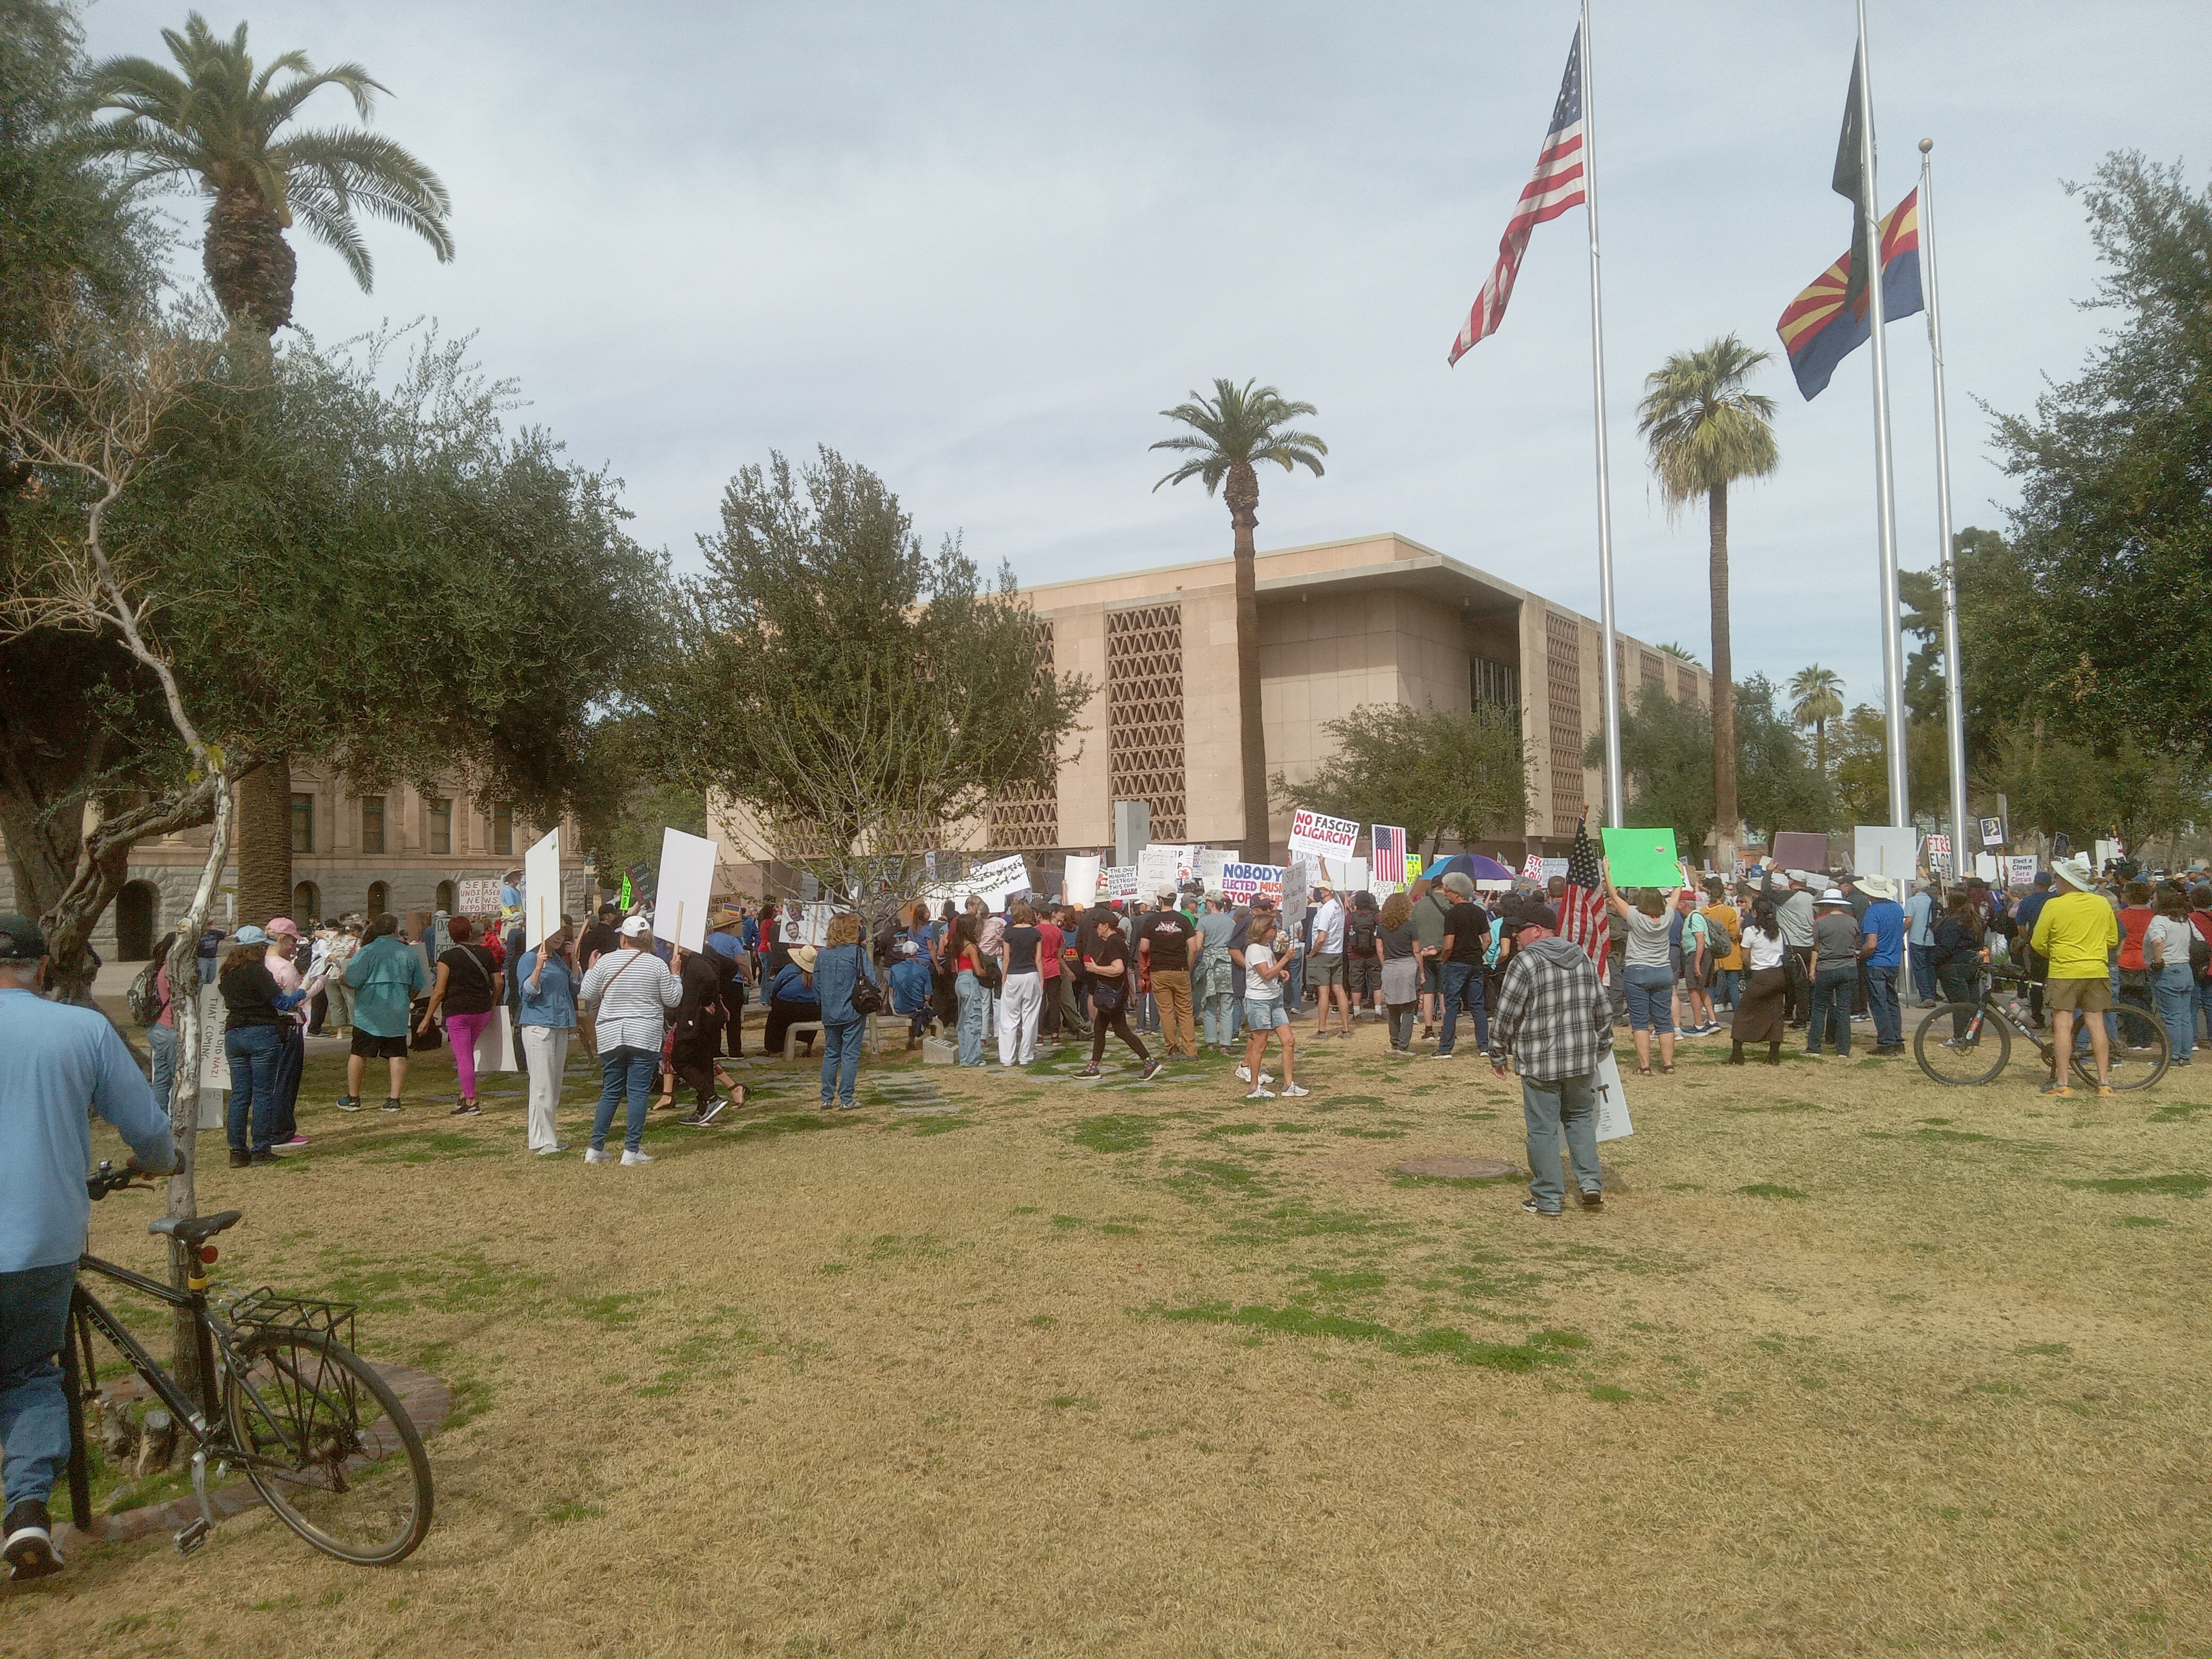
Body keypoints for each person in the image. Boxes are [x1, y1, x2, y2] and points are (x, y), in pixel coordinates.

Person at [0, 912, 178, 1582]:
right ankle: (25, 1511)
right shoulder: (79, 1028)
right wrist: (160, 1162)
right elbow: (149, 1132)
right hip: (41, 1237)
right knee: (29, 1374)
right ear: (43, 968)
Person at [1484, 901, 1611, 1217]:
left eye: (1518, 931)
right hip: (1581, 1059)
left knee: (1543, 1129)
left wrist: (1497, 1052)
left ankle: (1549, 1198)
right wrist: (1602, 1045)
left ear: (1536, 931)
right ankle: (1591, 1184)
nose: (1514, 936)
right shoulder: (1582, 956)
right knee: (1580, 1119)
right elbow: (1602, 1008)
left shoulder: (1524, 962)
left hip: (1540, 1061)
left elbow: (1506, 1014)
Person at [577, 915, 683, 1164]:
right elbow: (673, 999)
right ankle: (632, 1149)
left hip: (611, 1033)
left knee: (611, 1091)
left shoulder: (607, 962)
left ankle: (595, 1147)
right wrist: (676, 974)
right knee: (638, 1092)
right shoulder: (657, 965)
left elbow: (586, 992)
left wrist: (592, 969)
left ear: (623, 938)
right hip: (644, 1034)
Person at [2029, 856, 2121, 1099]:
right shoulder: (2102, 904)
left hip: (2064, 971)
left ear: (2067, 882)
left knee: (2063, 1025)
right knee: (2096, 1024)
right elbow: (2112, 940)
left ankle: (2063, 1083)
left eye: (2058, 877)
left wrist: (2056, 952)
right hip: (2097, 970)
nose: (2056, 881)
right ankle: (2103, 1083)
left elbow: (2038, 942)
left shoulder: (2054, 905)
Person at [219, 925, 306, 1166]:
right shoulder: (257, 971)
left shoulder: (227, 972)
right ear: (257, 948)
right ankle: (261, 1148)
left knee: (240, 1095)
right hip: (261, 1032)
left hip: (234, 1033)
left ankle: (237, 1150)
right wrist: (302, 992)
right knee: (263, 1094)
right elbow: (282, 1002)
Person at [339, 913, 426, 1114]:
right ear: (396, 930)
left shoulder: (367, 951)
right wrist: (407, 999)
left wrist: (342, 978)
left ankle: (353, 1098)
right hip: (397, 1011)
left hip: (368, 1012)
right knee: (397, 1054)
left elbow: (352, 980)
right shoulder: (409, 953)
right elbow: (418, 985)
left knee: (359, 1053)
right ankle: (394, 1099)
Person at [417, 915, 504, 1117]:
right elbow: (498, 982)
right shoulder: (485, 952)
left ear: (451, 935)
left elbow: (439, 991)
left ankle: (471, 1100)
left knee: (463, 1056)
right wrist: (492, 1002)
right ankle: (464, 1095)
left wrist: (427, 1017)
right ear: (471, 932)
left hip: (458, 1011)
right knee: (468, 1052)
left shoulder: (447, 957)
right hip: (482, 1010)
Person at [516, 919, 580, 1153]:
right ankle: (545, 1140)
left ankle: (542, 1137)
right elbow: (527, 993)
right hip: (538, 1025)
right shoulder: (530, 958)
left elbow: (576, 985)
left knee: (552, 1085)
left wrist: (574, 959)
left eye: (563, 933)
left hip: (560, 1024)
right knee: (542, 1085)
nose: (560, 937)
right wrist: (537, 968)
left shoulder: (556, 959)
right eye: (555, 932)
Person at [669, 940, 747, 1124]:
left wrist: (707, 999)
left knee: (680, 1060)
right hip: (708, 1019)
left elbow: (711, 978)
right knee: (704, 1062)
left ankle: (711, 1098)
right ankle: (703, 1110)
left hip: (695, 1018)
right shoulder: (708, 952)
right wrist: (718, 997)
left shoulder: (694, 959)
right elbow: (730, 966)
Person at [1606, 878, 1677, 1076]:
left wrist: (1607, 873)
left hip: (1638, 971)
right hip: (1663, 971)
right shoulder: (1668, 916)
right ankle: (1668, 1064)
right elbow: (1675, 897)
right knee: (1664, 1021)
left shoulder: (1635, 916)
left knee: (1640, 1021)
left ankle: (1645, 1066)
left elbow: (1613, 896)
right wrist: (1678, 879)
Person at [1078, 912, 1159, 1079]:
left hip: (1112, 994)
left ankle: (1150, 1062)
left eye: (1098, 926)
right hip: (1114, 993)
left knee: (1118, 1030)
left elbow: (1118, 969)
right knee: (1106, 1029)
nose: (1097, 930)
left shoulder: (1114, 942)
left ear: (1105, 925)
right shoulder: (1115, 941)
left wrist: (1096, 969)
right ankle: (1094, 1067)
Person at [1235, 913, 1304, 1100]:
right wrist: (1285, 960)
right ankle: (1254, 1087)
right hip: (1259, 1001)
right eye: (1273, 927)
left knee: (1289, 1040)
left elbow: (1269, 969)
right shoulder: (1255, 949)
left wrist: (1281, 971)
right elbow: (1265, 974)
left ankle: (1289, 1084)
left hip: (1274, 999)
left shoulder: (1266, 947)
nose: (1276, 930)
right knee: (1260, 1044)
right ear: (1264, 931)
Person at [812, 913, 879, 1109]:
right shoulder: (858, 953)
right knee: (850, 1054)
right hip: (853, 1010)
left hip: (830, 1011)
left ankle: (826, 1098)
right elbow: (871, 981)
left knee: (831, 1053)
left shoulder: (822, 955)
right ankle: (847, 1099)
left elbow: (816, 985)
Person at [261, 918, 316, 1151]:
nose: (294, 946)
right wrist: (317, 985)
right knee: (287, 1078)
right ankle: (282, 1130)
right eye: (292, 941)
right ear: (283, 939)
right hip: (289, 1026)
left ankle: (268, 1128)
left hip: (267, 1027)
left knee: (269, 1081)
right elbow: (297, 998)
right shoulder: (285, 967)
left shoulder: (261, 963)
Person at [1136, 886, 1200, 1058]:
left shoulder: (1151, 921)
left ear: (1160, 900)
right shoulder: (1184, 920)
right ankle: (1191, 1051)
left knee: (1166, 1012)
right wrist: (1188, 967)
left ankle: (1172, 1048)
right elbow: (1193, 948)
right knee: (1186, 1011)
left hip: (1159, 970)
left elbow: (1144, 947)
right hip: (1180, 968)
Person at [1434, 872, 1491, 1059]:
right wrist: (1477, 953)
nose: (1445, 894)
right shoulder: (1479, 912)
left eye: (1447, 890)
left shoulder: (1452, 914)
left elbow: (1449, 944)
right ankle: (1484, 1046)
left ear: (1457, 893)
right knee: (1477, 1005)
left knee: (1451, 1005)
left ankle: (1446, 1048)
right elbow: (1488, 940)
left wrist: (1444, 959)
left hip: (1456, 964)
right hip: (1476, 963)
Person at [1728, 896, 1789, 1066]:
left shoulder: (1751, 931)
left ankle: (1737, 1053)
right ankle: (1774, 1054)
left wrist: (1752, 964)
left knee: (1744, 1012)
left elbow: (1745, 957)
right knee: (1775, 1013)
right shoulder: (1779, 931)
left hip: (1761, 976)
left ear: (1754, 912)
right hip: (1778, 975)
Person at [2144, 887, 2197, 1068]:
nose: (2153, 900)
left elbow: (2158, 941)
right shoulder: (2185, 920)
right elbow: (2200, 940)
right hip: (2185, 968)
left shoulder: (2159, 920)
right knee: (2185, 1016)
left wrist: (2157, 962)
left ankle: (2172, 1057)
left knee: (2171, 1017)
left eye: (2155, 898)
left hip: (2167, 970)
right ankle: (2185, 1055)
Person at [1806, 889, 1861, 1059]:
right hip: (1848, 966)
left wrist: (1812, 969)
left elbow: (1816, 946)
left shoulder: (1820, 922)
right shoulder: (1852, 921)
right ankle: (1843, 1049)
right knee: (1844, 1009)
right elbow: (1855, 941)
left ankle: (1814, 1047)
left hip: (1827, 967)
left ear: (1826, 904)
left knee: (1819, 1007)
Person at [1856, 875, 1907, 1054]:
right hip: (1893, 961)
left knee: (1879, 1003)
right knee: (1892, 1001)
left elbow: (1871, 944)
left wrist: (1860, 956)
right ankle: (1897, 1040)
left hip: (1876, 962)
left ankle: (1887, 1042)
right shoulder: (1897, 908)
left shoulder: (1873, 912)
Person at [995, 900, 1047, 1067]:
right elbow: (1038, 958)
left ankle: (1008, 1058)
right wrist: (1041, 978)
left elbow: (1006, 959)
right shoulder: (1036, 933)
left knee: (1009, 1019)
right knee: (1030, 1018)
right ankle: (1025, 1056)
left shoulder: (1009, 933)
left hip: (1013, 975)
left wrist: (1003, 978)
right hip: (1031, 974)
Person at [1376, 891, 1422, 1054]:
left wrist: (1385, 965)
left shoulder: (1381, 928)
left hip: (1390, 967)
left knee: (1393, 1008)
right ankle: (1403, 1046)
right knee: (1409, 1009)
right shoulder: (1411, 926)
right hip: (1408, 966)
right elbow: (1417, 951)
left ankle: (1394, 1043)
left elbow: (1380, 950)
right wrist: (1421, 971)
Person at [1306, 880, 1352, 1038]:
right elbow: (1330, 881)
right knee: (1339, 989)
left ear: (1326, 891)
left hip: (1323, 954)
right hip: (1337, 952)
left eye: (1318, 890)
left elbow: (1321, 937)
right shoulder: (1338, 905)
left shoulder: (1326, 910)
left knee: (1323, 991)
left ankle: (1322, 1030)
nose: (1315, 893)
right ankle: (1346, 1028)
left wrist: (1312, 953)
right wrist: (1322, 863)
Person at [1195, 892, 1238, 1053]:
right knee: (1227, 1006)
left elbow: (1198, 945)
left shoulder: (1204, 921)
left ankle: (1211, 1043)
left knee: (1210, 1005)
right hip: (1227, 963)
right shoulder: (1231, 921)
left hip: (1210, 964)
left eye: (1207, 902)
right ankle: (1226, 1044)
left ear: (1212, 903)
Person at [1411, 878, 1453, 1040]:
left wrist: (1422, 948)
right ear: (1445, 887)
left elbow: (1412, 927)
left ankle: (1428, 1029)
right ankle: (1445, 1028)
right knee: (1444, 993)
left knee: (1428, 993)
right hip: (1444, 953)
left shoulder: (1419, 905)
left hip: (1423, 953)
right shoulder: (1449, 904)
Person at [765, 945, 823, 1059]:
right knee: (814, 1010)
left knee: (775, 1017)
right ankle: (809, 1046)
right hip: (813, 1010)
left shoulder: (789, 969)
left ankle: (774, 1049)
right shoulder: (820, 973)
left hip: (786, 1008)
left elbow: (776, 987)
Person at [145, 931, 180, 1112]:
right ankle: (179, 1117)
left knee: (162, 1077)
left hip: (157, 1027)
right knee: (179, 1077)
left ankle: (159, 1118)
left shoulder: (159, 967)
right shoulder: (172, 970)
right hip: (169, 1029)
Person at [1674, 890, 1716, 1035]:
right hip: (1699, 954)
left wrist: (1697, 963)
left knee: (1693, 989)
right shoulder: (1690, 918)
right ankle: (1712, 1020)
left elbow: (1700, 940)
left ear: (1684, 903)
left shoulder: (1695, 917)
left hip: (1697, 955)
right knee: (1701, 988)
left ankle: (1699, 1025)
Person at [2116, 879, 2157, 1016]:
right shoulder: (2154, 916)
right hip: (2147, 961)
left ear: (2129, 896)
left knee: (2127, 1002)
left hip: (2125, 962)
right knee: (2146, 1000)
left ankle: (2133, 1032)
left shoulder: (2120, 917)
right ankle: (2147, 1030)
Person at [1702, 881, 1742, 1013]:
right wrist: (1739, 922)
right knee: (1733, 985)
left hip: (1711, 953)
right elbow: (1733, 934)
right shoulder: (1729, 911)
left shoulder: (1702, 912)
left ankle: (1711, 1017)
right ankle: (1738, 1016)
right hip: (1729, 952)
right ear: (1723, 897)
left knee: (1711, 985)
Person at [890, 941, 935, 1047]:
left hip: (898, 1009)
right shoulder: (924, 971)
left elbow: (891, 992)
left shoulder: (894, 969)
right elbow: (927, 997)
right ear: (916, 954)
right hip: (916, 1009)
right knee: (927, 1010)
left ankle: (911, 1042)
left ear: (903, 954)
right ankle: (934, 1043)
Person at [1345, 892, 1381, 1021]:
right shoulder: (1376, 917)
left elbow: (1346, 933)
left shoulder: (1351, 917)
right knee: (1377, 983)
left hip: (1355, 955)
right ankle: (1378, 1012)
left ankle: (1357, 1013)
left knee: (1356, 984)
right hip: (1374, 954)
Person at [322, 919, 359, 1037]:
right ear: (356, 931)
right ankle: (356, 1028)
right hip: (346, 974)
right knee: (351, 1002)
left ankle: (339, 1031)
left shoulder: (333, 938)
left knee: (335, 1003)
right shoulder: (356, 941)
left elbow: (318, 934)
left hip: (331, 974)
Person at [1035, 902, 1065, 1044]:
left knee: (1040, 1002)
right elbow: (1060, 954)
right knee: (1054, 1003)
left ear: (1039, 915)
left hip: (1039, 970)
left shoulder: (1036, 931)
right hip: (1054, 968)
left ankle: (1039, 1034)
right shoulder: (1057, 931)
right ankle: (1055, 1034)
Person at [1905, 880, 1938, 1005]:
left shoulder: (1912, 901)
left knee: (1920, 969)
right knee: (1930, 967)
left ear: (1917, 888)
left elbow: (1909, 921)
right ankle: (1932, 993)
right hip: (1932, 939)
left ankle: (1926, 997)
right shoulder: (1932, 901)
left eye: (1913, 886)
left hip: (1917, 938)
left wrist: (1901, 933)